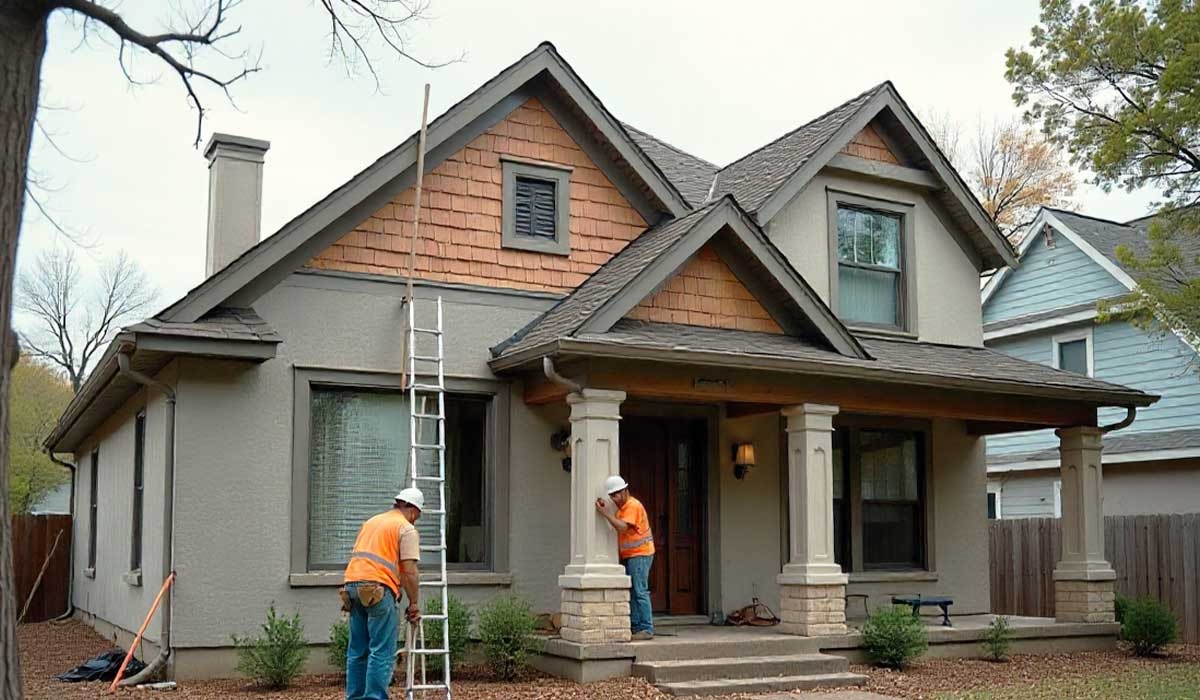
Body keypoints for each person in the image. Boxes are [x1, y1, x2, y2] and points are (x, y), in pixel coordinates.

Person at [341, 487, 424, 700]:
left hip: (352, 586)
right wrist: (413, 603)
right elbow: (409, 571)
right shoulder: (405, 528)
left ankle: (355, 697)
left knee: (358, 651)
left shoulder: (373, 521)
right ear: (414, 511)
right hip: (378, 588)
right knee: (381, 651)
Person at [595, 475, 655, 640]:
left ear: (625, 491)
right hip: (634, 555)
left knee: (640, 591)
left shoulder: (632, 506)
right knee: (635, 591)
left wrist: (605, 513)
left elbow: (622, 527)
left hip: (640, 554)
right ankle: (636, 626)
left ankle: (646, 628)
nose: (614, 498)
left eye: (616, 494)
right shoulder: (624, 508)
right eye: (612, 495)